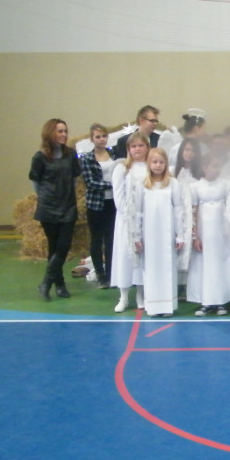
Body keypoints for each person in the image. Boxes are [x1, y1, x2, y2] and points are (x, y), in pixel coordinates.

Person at [29, 118, 81, 300]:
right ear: (50, 133)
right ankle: (59, 285)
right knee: (54, 247)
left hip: (68, 207)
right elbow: (35, 183)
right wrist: (47, 198)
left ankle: (45, 283)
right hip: (48, 209)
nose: (64, 134)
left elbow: (75, 179)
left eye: (65, 131)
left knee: (63, 247)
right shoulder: (40, 157)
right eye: (60, 131)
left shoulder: (71, 154)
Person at [188, 153, 230, 315]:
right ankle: (207, 301)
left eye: (219, 166)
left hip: (222, 232)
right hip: (205, 232)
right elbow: (193, 212)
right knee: (206, 265)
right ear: (204, 167)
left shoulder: (225, 185)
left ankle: (222, 300)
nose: (217, 169)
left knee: (222, 263)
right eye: (214, 166)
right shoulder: (195, 187)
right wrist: (195, 236)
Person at [135, 148, 183, 317]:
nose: (158, 165)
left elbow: (178, 209)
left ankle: (168, 305)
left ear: (166, 164)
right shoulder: (143, 184)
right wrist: (136, 235)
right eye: (154, 162)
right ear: (149, 164)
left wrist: (180, 234)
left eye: (161, 162)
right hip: (149, 235)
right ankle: (153, 306)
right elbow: (138, 211)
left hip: (167, 234)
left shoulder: (173, 183)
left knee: (167, 267)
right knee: (151, 268)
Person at [111, 132, 150, 313]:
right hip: (126, 220)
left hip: (146, 219)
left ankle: (141, 294)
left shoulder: (151, 167)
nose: (137, 149)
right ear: (128, 149)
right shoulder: (122, 169)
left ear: (147, 147)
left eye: (141, 145)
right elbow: (119, 197)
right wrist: (129, 215)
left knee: (142, 257)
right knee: (125, 256)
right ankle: (124, 296)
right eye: (133, 146)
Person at [79, 123, 117, 289]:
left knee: (110, 239)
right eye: (98, 137)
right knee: (96, 240)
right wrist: (112, 185)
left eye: (104, 136)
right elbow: (91, 183)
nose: (102, 139)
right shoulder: (87, 158)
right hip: (96, 204)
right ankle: (100, 275)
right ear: (92, 139)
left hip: (112, 203)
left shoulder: (113, 154)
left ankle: (110, 274)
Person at [174, 138, 203, 299]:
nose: (189, 153)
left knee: (194, 249)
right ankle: (179, 285)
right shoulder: (174, 172)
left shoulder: (200, 173)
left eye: (192, 150)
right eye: (186, 150)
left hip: (195, 214)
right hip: (180, 214)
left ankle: (190, 285)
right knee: (180, 248)